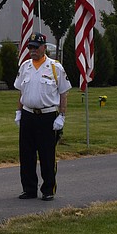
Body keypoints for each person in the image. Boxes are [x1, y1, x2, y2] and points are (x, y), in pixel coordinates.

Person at [14, 33, 71, 200]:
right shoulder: (25, 66)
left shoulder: (54, 67)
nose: (33, 50)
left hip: (47, 116)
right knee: (26, 154)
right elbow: (21, 91)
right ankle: (29, 189)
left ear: (44, 47)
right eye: (30, 47)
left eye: (36, 47)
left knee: (47, 155)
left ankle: (48, 189)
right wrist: (18, 111)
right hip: (28, 115)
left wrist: (61, 116)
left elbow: (63, 93)